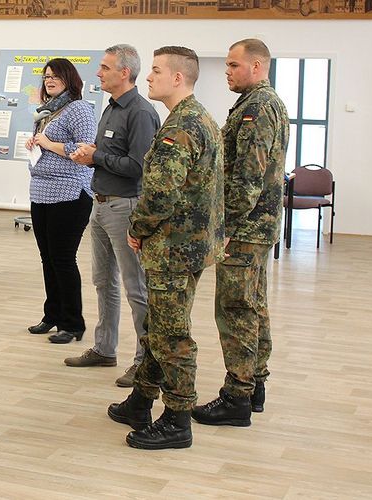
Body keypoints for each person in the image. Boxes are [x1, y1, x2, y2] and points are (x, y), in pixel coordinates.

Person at [106, 46, 224, 450]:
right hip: (189, 246)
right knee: (160, 327)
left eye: (156, 71)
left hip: (173, 248)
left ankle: (177, 418)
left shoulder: (180, 127)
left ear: (178, 78)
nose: (150, 77)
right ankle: (141, 400)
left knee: (172, 335)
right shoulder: (200, 117)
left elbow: (160, 193)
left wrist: (137, 228)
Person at [192, 39, 290, 426]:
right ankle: (255, 384)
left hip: (246, 226)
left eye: (234, 65)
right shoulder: (261, 103)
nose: (228, 71)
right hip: (257, 224)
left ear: (258, 65)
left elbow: (248, 175)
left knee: (235, 309)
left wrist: (226, 226)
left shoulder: (258, 107)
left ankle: (237, 396)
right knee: (252, 304)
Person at [64, 45, 160, 385]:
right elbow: (106, 155)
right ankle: (105, 349)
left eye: (105, 67)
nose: (98, 73)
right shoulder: (109, 108)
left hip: (125, 207)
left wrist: (96, 158)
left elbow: (138, 167)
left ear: (124, 72)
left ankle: (145, 362)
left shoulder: (141, 113)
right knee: (103, 282)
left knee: (136, 287)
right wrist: (90, 155)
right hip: (100, 204)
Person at [22, 58, 96, 345]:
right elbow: (44, 144)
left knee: (63, 260)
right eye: (46, 76)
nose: (49, 80)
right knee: (47, 259)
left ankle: (72, 323)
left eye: (55, 76)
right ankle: (51, 315)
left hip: (69, 193)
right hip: (41, 192)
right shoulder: (46, 112)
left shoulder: (79, 109)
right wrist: (35, 143)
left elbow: (86, 149)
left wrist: (49, 144)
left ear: (69, 78)